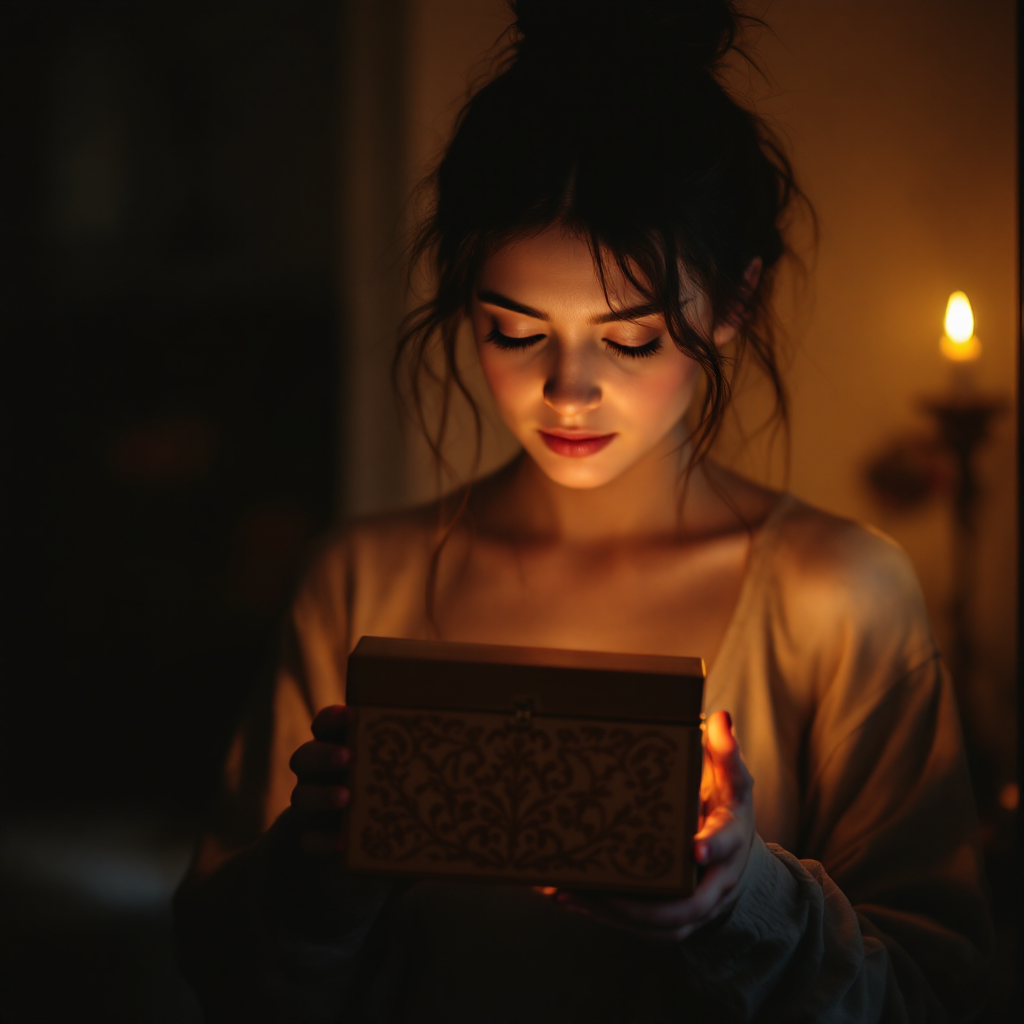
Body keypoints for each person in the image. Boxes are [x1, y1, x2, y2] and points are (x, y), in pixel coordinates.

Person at [173, 1, 992, 1020]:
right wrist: (314, 879)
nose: (566, 392)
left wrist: (743, 901)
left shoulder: (838, 597)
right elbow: (226, 972)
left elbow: (936, 996)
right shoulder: (365, 580)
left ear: (733, 302)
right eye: (514, 332)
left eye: (630, 339)